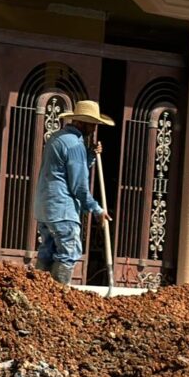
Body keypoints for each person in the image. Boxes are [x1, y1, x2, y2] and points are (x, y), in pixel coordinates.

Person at [33, 99, 115, 285]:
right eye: (92, 124)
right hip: (63, 209)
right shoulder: (75, 145)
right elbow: (79, 185)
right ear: (81, 122)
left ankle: (37, 294)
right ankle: (56, 298)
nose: (94, 129)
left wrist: (90, 155)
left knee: (47, 251)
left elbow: (67, 169)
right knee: (68, 253)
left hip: (45, 208)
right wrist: (96, 209)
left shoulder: (57, 138)